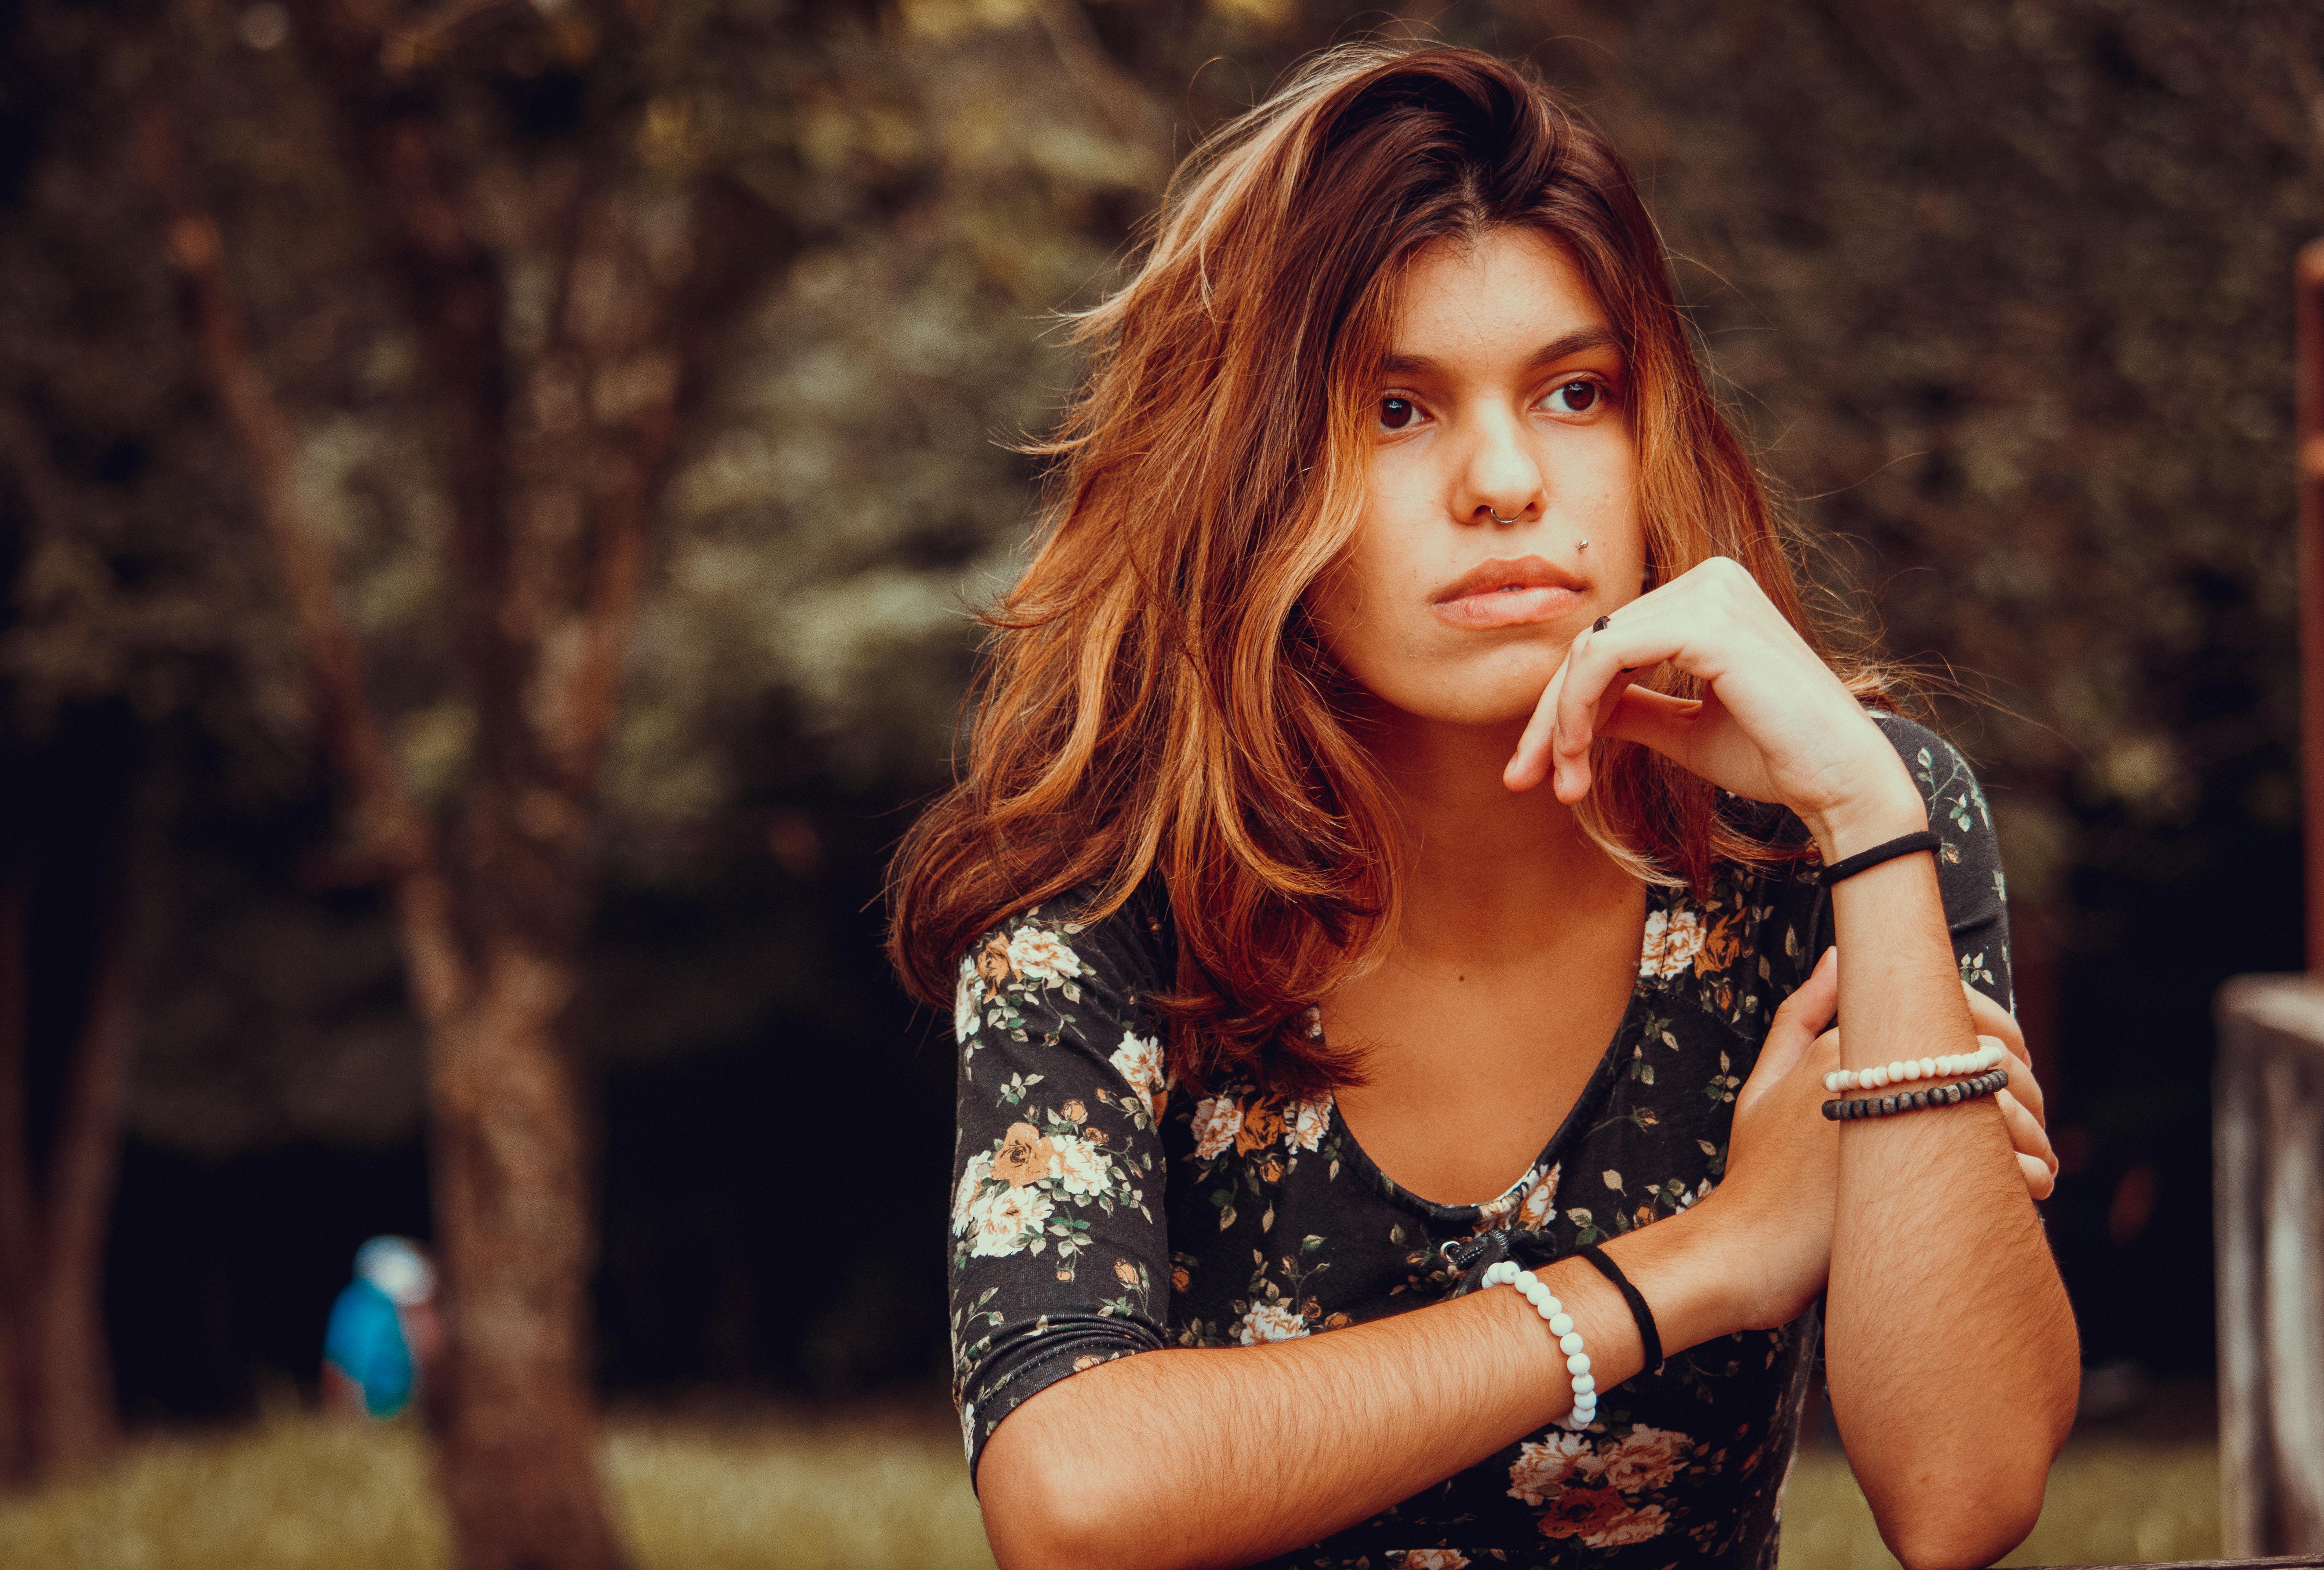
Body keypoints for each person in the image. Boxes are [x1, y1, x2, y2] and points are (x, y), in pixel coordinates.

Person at [889, 44, 2076, 1570]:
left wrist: (1868, 801)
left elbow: (1967, 1495)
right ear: (1247, 476)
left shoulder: (1828, 836)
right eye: (1398, 409)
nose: (1510, 478)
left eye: (1577, 392)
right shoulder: (1112, 893)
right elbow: (1073, 1497)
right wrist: (1701, 1264)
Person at [322, 1235, 442, 1421]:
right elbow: (341, 1369)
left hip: (404, 1415)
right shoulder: (367, 1308)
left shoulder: (358, 1303)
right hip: (377, 1417)